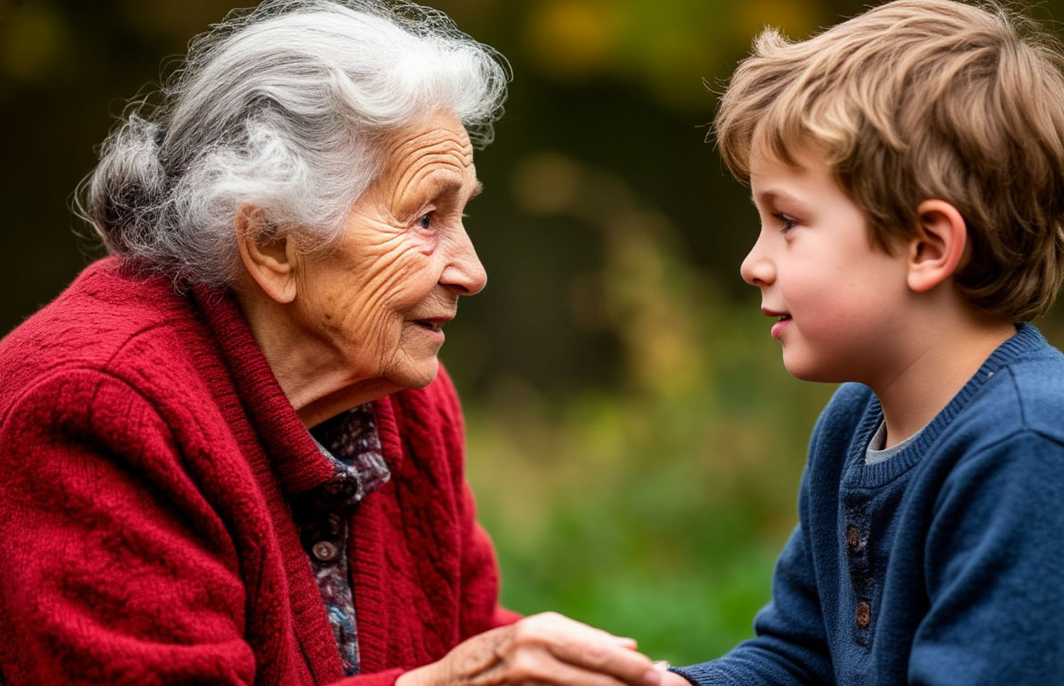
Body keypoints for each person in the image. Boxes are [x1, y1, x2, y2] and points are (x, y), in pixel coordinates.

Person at [0, 2, 665, 685]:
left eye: (463, 213)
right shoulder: (98, 412)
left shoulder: (406, 398)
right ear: (273, 246)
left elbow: (467, 642)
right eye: (426, 216)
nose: (472, 272)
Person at [659, 1, 1064, 684]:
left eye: (788, 221)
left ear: (927, 245)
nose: (753, 262)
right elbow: (801, 660)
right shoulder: (855, 424)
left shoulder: (1033, 452)